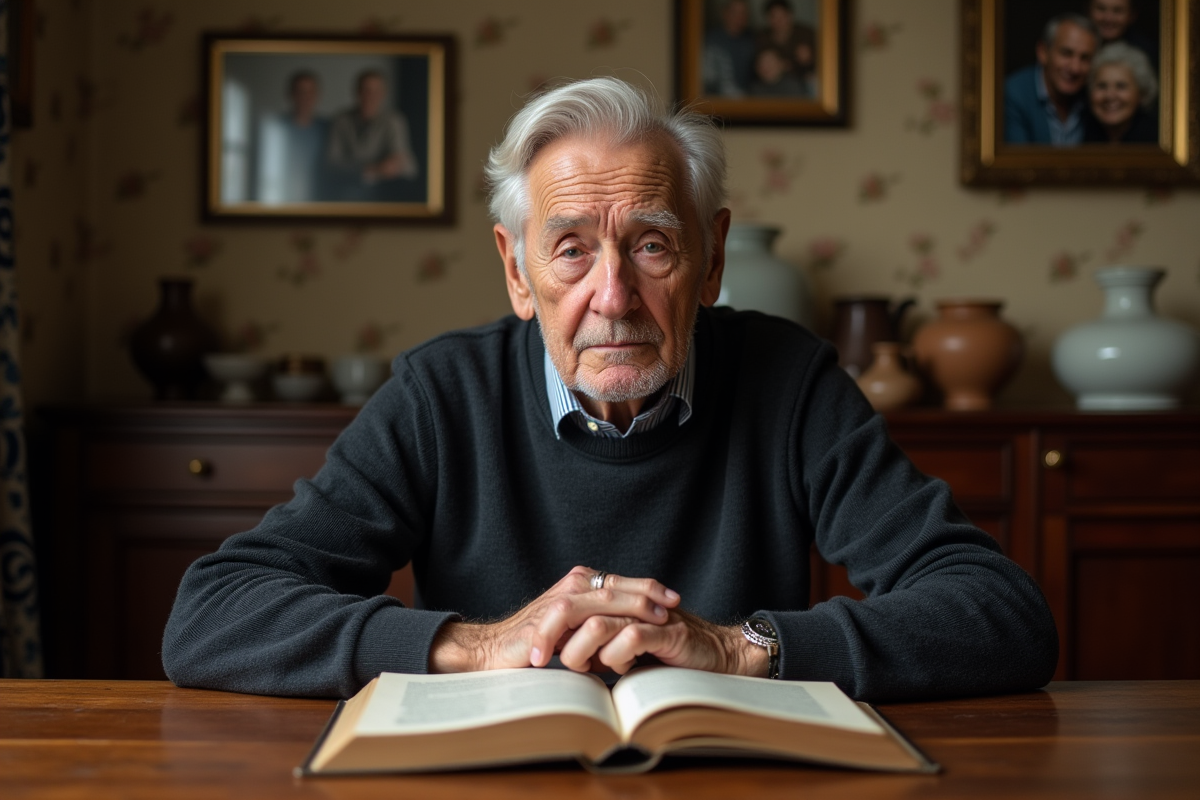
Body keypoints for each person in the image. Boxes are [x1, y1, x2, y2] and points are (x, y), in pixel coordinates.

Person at [162, 77, 1057, 703]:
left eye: (654, 245)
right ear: (518, 275)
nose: (614, 296)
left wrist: (739, 649)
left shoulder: (791, 382)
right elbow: (212, 614)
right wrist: (480, 645)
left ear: (710, 262)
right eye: (571, 249)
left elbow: (1002, 614)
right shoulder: (441, 393)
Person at [1004, 14, 1099, 145]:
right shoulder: (1013, 95)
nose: (1075, 68)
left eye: (1085, 58)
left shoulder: (1094, 95)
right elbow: (1017, 162)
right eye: (1066, 53)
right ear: (1043, 52)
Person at [327, 69, 419, 201]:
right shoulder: (341, 121)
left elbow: (405, 163)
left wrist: (392, 165)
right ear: (357, 92)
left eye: (376, 91)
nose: (370, 96)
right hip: (349, 188)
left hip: (387, 189)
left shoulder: (394, 121)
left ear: (383, 94)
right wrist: (369, 170)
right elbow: (332, 163)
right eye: (366, 90)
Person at [255, 71, 330, 204]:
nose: (305, 97)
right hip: (281, 201)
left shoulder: (328, 129)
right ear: (290, 95)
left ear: (317, 95)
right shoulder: (275, 129)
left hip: (319, 203)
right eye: (300, 91)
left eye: (310, 92)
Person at [1084, 42, 1159, 143]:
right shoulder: (1080, 135)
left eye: (1121, 86)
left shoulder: (1158, 141)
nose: (1110, 95)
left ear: (1141, 93)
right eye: (1102, 86)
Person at [754, 0, 816, 92]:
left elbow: (825, 63)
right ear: (768, 19)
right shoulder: (762, 38)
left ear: (790, 15)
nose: (779, 21)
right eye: (774, 17)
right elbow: (758, 65)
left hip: (803, 78)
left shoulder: (806, 34)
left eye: (782, 16)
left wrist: (809, 59)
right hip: (773, 81)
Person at [703, 0, 757, 97]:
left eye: (743, 13)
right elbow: (708, 79)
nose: (739, 17)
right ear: (724, 14)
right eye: (735, 12)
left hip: (748, 101)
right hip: (717, 101)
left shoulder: (752, 40)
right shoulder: (712, 40)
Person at [1088, 0, 1158, 69]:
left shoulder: (1146, 53)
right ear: (1089, 10)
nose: (1108, 18)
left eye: (1117, 11)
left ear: (1132, 15)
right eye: (1101, 9)